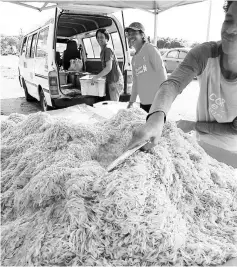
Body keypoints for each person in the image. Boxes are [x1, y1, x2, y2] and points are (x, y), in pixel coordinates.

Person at [127, 1, 237, 168]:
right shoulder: (205, 53)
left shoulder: (150, 50)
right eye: (229, 20)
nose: (229, 29)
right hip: (200, 143)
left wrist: (193, 125)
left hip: (230, 152)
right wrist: (156, 119)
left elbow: (234, 128)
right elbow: (172, 83)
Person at [125, 22, 167, 113]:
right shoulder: (134, 59)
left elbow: (161, 73)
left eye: (134, 33)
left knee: (157, 126)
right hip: (144, 102)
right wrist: (131, 101)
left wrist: (163, 98)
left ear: (142, 35)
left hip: (157, 102)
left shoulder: (150, 48)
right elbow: (135, 82)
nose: (131, 36)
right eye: (129, 34)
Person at [91, 29, 124, 101]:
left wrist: (96, 77)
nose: (99, 39)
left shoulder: (107, 49)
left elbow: (108, 68)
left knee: (114, 105)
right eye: (98, 37)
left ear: (107, 38)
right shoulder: (104, 49)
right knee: (110, 103)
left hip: (115, 80)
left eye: (102, 37)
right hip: (112, 80)